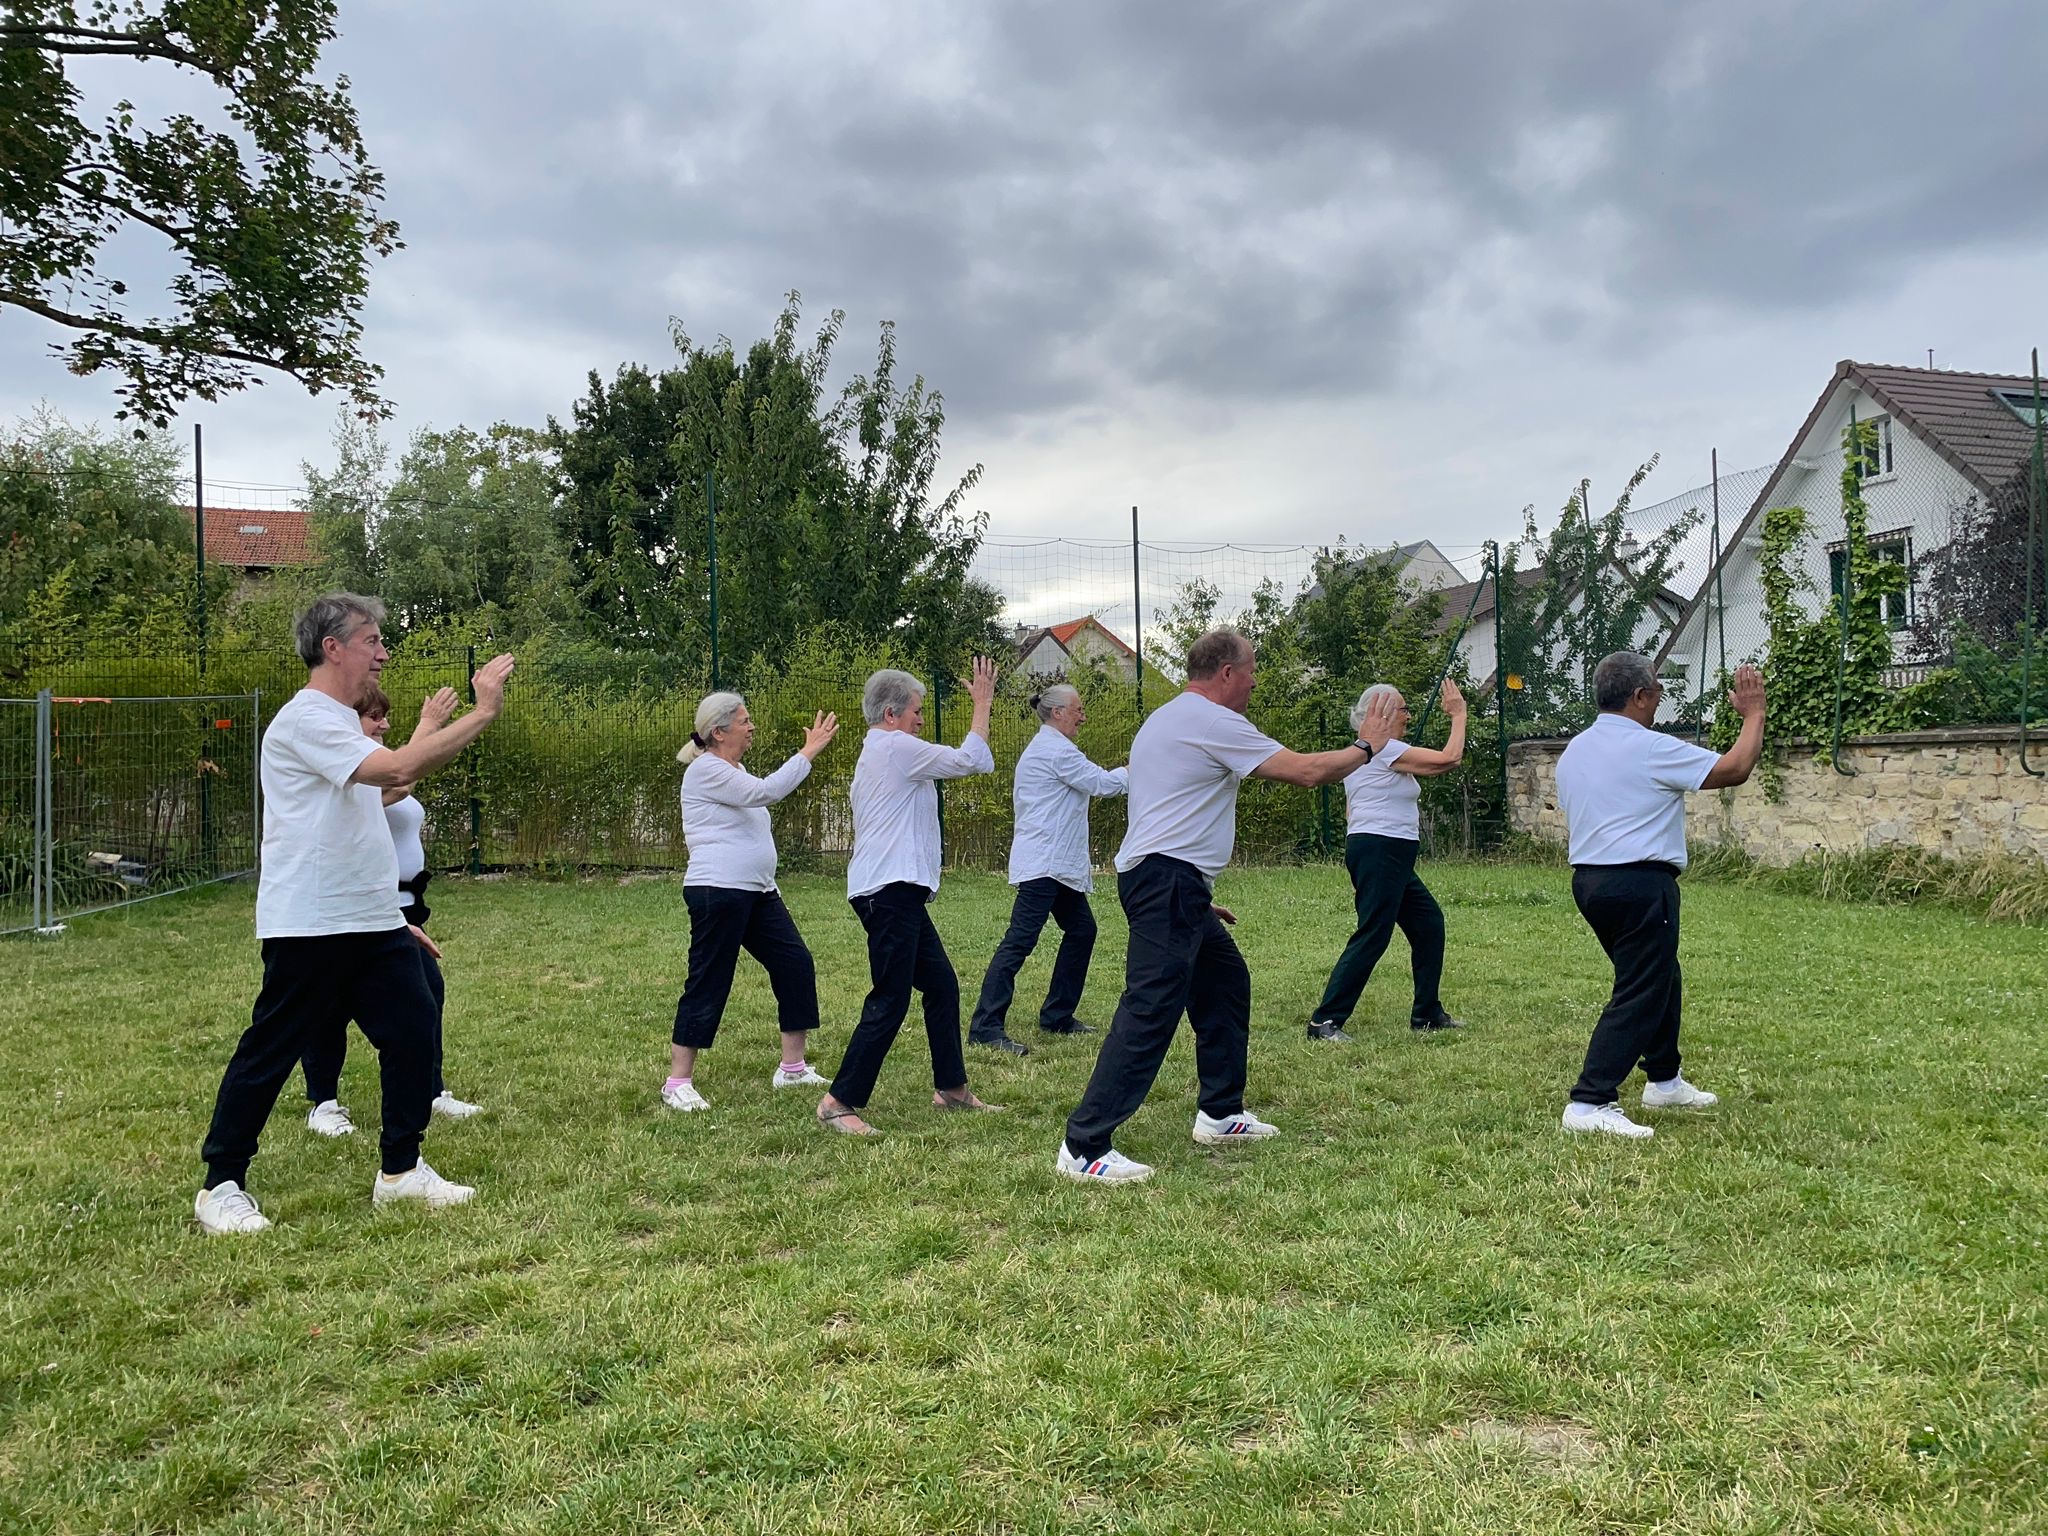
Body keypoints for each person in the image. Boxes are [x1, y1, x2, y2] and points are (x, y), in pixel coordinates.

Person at [194, 593, 515, 1235]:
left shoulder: (340, 721)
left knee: (413, 1024)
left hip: (370, 920)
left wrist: (395, 918)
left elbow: (390, 785)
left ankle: (400, 1172)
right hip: (312, 922)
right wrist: (484, 713)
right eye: (372, 640)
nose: (383, 652)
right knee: (272, 1050)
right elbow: (395, 767)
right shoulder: (306, 718)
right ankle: (221, 1185)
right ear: (332, 647)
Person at [1055, 629, 1399, 1184]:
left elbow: (1168, 807)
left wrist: (1192, 896)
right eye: (1252, 670)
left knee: (1225, 982)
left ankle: (1220, 1113)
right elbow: (1308, 772)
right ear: (1226, 674)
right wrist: (1367, 745)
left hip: (1171, 883)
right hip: (1166, 883)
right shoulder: (1212, 721)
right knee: (1150, 1007)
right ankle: (1084, 1145)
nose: (1256, 681)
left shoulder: (1167, 719)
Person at [1554, 653, 1765, 1140]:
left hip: (1591, 881)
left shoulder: (1576, 751)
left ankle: (1664, 1080)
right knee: (1641, 988)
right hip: (1640, 884)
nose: (1660, 701)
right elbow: (1734, 769)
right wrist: (1753, 714)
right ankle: (1589, 1102)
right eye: (1658, 692)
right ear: (1639, 696)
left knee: (1659, 975)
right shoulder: (1647, 747)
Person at [817, 658, 1002, 1136]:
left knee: (940, 985)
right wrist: (982, 705)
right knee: (890, 998)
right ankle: (839, 1102)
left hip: (896, 892)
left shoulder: (889, 749)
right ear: (892, 715)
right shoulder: (896, 747)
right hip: (888, 893)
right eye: (917, 711)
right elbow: (972, 760)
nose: (922, 719)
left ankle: (952, 1089)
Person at [300, 683, 484, 1137]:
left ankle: (430, 1090)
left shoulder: (373, 764)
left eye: (385, 716)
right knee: (330, 1005)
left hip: (401, 910)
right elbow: (400, 782)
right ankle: (323, 1103)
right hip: (354, 910)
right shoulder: (347, 774)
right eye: (374, 717)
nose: (383, 724)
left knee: (426, 995)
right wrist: (430, 726)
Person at [662, 692, 840, 1112]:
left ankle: (792, 1068)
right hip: (718, 891)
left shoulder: (733, 768)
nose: (751, 726)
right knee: (709, 979)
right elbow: (767, 792)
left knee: (795, 963)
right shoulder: (706, 771)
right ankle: (677, 1082)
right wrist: (809, 750)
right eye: (744, 720)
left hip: (758, 891)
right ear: (718, 732)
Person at [967, 683, 1128, 1056]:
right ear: (1057, 713)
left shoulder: (1053, 749)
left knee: (1082, 930)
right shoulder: (1056, 752)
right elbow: (1102, 783)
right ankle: (985, 1027)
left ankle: (1057, 1015)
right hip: (1044, 865)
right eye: (1078, 710)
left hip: (1055, 865)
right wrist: (1142, 769)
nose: (1083, 717)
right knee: (1018, 943)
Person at [1307, 678, 1469, 1042]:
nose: (1408, 716)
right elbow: (1449, 759)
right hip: (1381, 850)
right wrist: (1458, 715)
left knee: (1428, 923)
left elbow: (1352, 809)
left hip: (1384, 851)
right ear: (1380, 713)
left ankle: (1427, 1013)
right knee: (1373, 934)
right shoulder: (1385, 749)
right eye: (1404, 709)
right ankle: (1324, 1021)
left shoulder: (1368, 753)